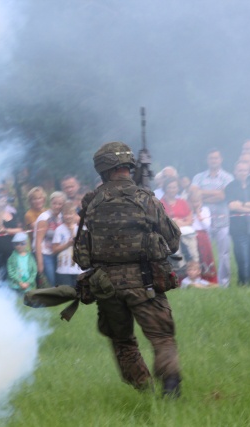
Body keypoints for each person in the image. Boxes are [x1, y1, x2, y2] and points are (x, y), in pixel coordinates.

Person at [74, 141, 182, 397]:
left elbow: (81, 252)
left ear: (102, 169)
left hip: (106, 285)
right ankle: (170, 389)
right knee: (162, 338)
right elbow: (173, 241)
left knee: (122, 341)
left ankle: (145, 390)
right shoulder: (145, 199)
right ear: (128, 166)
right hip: (144, 283)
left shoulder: (91, 202)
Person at [191, 148, 234, 287]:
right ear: (207, 160)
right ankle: (204, 281)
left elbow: (224, 196)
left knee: (224, 255)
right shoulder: (198, 177)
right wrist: (216, 193)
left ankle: (224, 284)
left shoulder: (228, 177)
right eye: (211, 158)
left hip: (223, 221)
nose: (213, 160)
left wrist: (203, 194)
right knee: (203, 253)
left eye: (216, 158)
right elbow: (194, 194)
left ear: (221, 159)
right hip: (203, 223)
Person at [226, 161, 250, 285]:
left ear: (249, 172)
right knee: (243, 260)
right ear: (235, 172)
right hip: (239, 231)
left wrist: (243, 204)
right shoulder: (230, 187)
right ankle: (243, 284)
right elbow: (232, 206)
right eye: (240, 170)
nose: (242, 173)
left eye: (245, 170)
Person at [161, 177, 199, 264]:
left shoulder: (182, 202)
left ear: (178, 188)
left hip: (186, 234)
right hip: (170, 236)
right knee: (178, 258)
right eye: (169, 187)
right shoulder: (160, 204)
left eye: (174, 187)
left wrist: (180, 223)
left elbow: (190, 220)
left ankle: (194, 269)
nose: (172, 190)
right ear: (165, 188)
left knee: (193, 254)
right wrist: (175, 223)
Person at [34, 191, 67, 287]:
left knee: (59, 280)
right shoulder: (44, 217)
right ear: (50, 203)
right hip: (45, 254)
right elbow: (38, 241)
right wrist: (40, 263)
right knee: (51, 281)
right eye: (54, 203)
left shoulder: (62, 217)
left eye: (60, 204)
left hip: (58, 252)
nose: (57, 206)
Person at [188, 187, 217, 283]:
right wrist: (191, 213)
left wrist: (199, 215)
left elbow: (207, 225)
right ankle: (193, 278)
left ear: (201, 201)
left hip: (202, 236)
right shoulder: (188, 211)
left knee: (205, 257)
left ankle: (208, 279)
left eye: (197, 201)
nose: (195, 204)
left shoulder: (205, 210)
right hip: (191, 235)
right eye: (193, 202)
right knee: (194, 257)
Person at [51, 201, 84, 285]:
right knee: (67, 294)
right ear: (62, 215)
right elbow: (54, 250)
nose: (68, 216)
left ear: (75, 214)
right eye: (65, 214)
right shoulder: (59, 230)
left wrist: (73, 232)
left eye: (70, 214)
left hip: (78, 269)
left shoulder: (81, 229)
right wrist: (67, 244)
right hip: (63, 270)